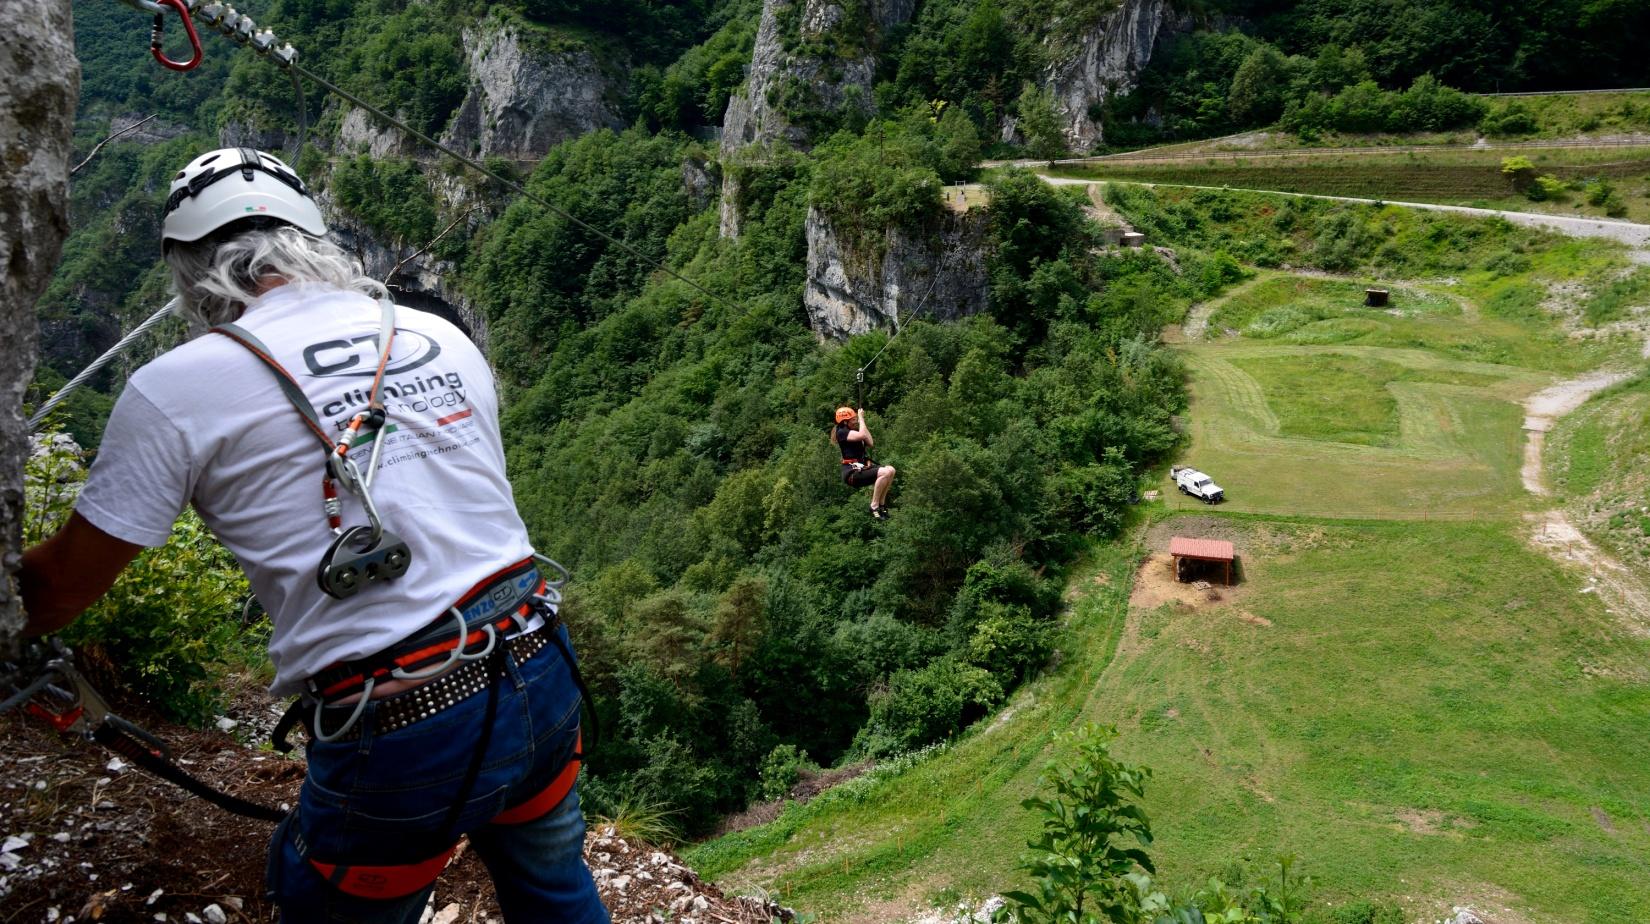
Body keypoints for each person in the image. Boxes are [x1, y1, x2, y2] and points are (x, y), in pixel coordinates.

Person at [17, 148, 609, 924]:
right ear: (315, 238)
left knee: (317, 899)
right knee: (554, 884)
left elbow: (57, 591)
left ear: (188, 271)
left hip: (407, 721)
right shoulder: (438, 334)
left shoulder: (175, 388)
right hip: (540, 658)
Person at [831, 406, 896, 519]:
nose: (855, 421)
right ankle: (874, 505)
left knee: (891, 470)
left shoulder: (854, 432)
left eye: (856, 419)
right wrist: (861, 419)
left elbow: (870, 442)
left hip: (861, 468)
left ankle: (881, 504)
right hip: (851, 473)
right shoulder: (841, 432)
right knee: (885, 472)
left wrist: (862, 421)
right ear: (845, 421)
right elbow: (862, 435)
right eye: (853, 419)